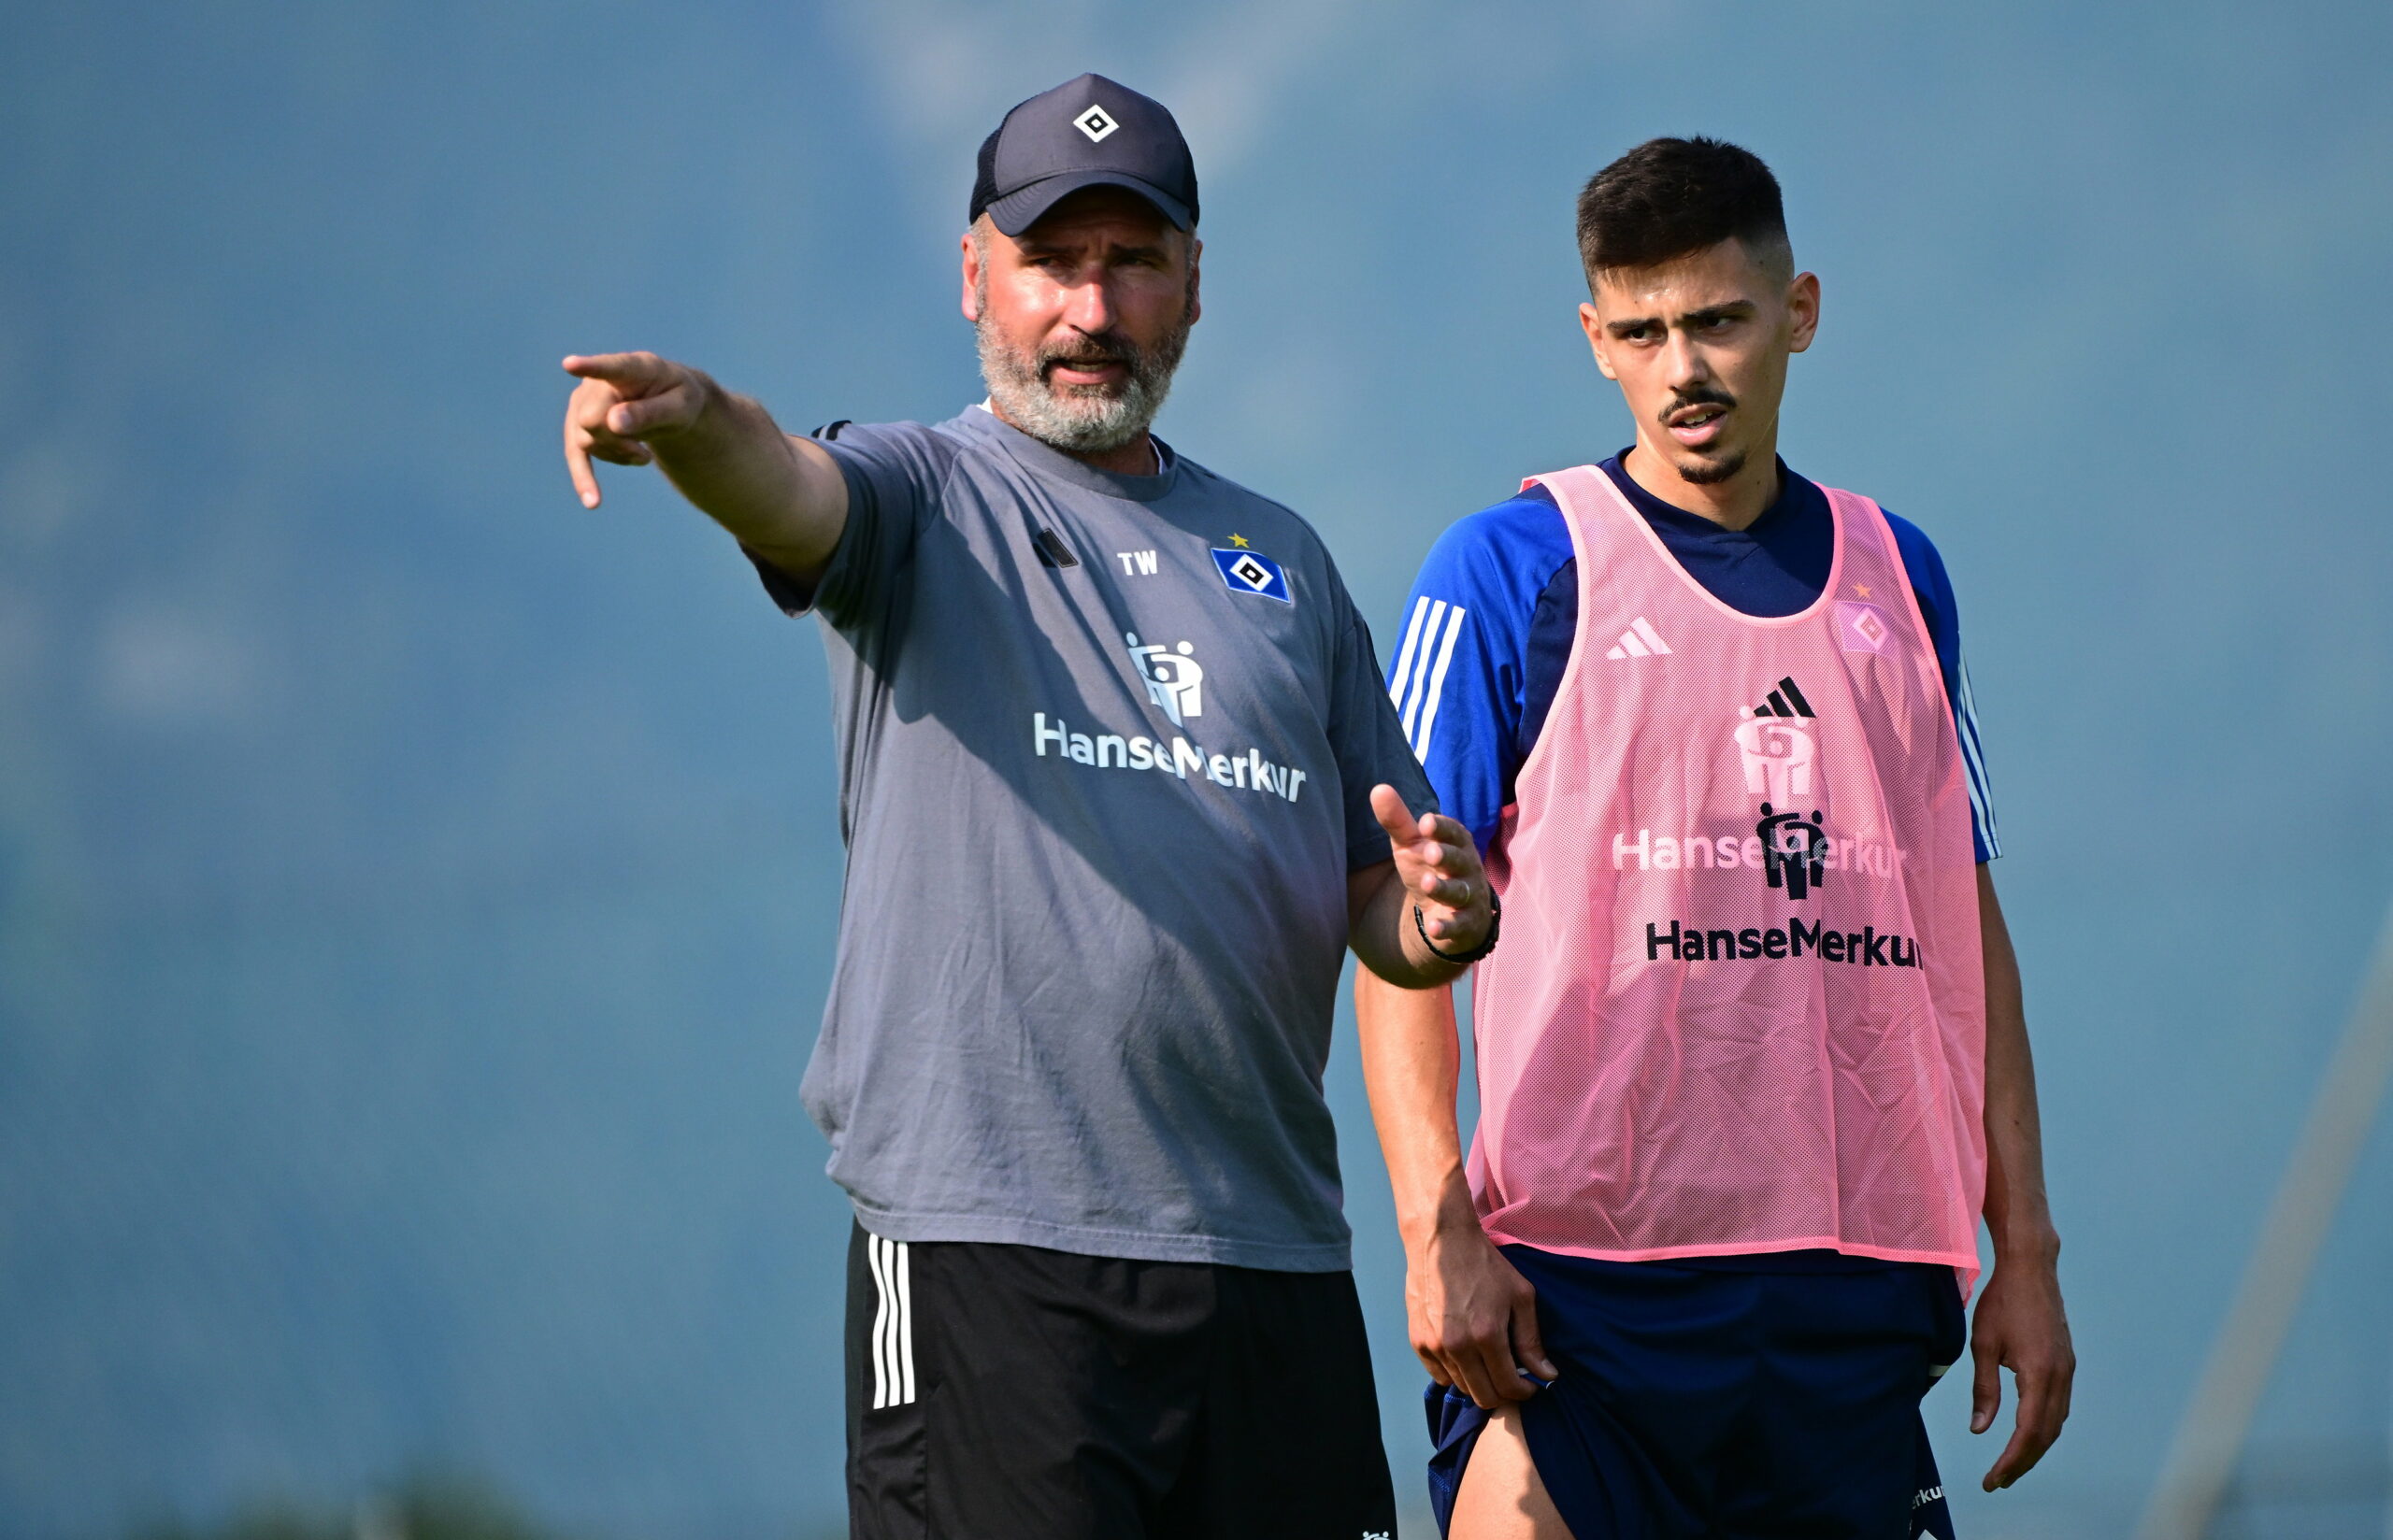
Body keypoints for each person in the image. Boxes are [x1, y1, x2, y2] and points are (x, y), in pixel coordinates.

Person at [556, 74, 1494, 1540]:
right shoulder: (926, 495)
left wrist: (1434, 918)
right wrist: (690, 427)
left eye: (1133, 262)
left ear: (1193, 288)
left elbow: (1378, 896)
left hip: (1272, 1264)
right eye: (1057, 262)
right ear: (977, 276)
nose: (1091, 308)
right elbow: (791, 492)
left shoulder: (1284, 562)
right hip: (993, 1258)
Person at [1354, 137, 2075, 1538]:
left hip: (1856, 1293)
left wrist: (2027, 1247)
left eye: (1719, 321)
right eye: (1642, 331)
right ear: (1596, 340)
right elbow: (1400, 923)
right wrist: (1433, 1223)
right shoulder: (1511, 571)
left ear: (1797, 313)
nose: (1683, 366)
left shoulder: (1903, 577)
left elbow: (1964, 926)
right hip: (1580, 1299)